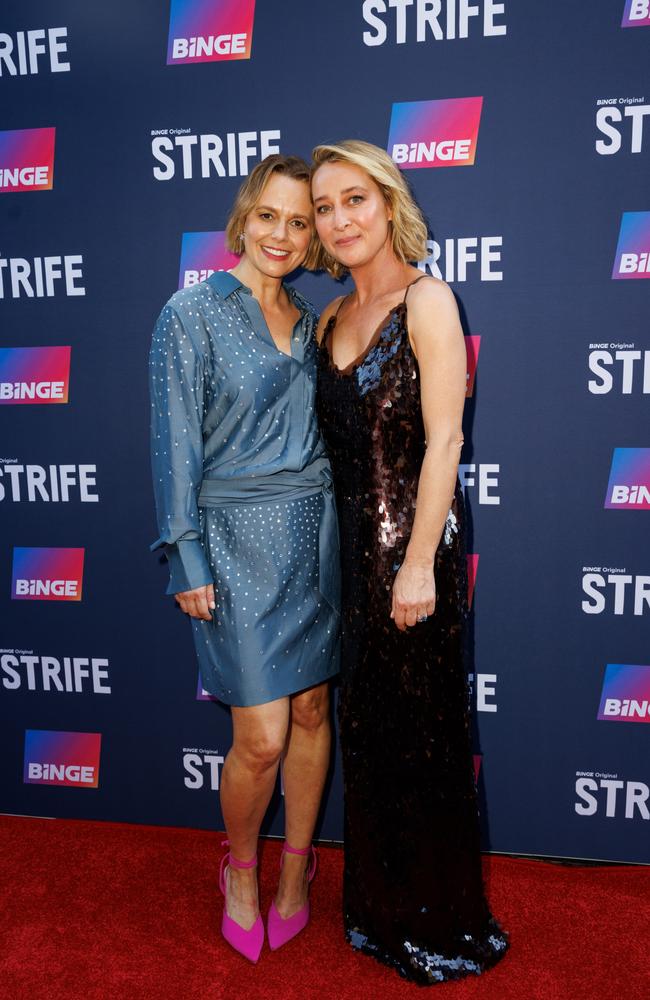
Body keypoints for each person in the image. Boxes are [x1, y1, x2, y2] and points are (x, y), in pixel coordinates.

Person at [311, 140, 508, 985]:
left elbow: (446, 442)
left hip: (413, 547)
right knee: (367, 731)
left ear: (389, 201)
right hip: (348, 554)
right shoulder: (325, 319)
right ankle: (379, 910)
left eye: (355, 198)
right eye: (324, 207)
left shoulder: (429, 299)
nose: (339, 219)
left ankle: (440, 920)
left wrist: (420, 562)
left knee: (423, 735)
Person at [149, 154, 340, 964]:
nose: (283, 235)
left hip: (316, 533)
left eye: (301, 222)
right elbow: (172, 443)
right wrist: (185, 555)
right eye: (271, 216)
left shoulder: (313, 319)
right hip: (232, 544)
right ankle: (241, 869)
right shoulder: (189, 313)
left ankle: (297, 873)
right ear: (243, 215)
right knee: (259, 735)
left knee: (311, 714)